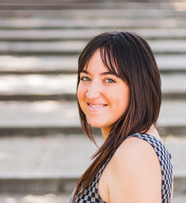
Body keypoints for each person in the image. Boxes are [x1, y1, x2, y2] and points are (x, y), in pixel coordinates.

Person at [71, 31, 173, 203]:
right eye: (85, 78)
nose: (91, 93)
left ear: (139, 86)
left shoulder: (134, 153)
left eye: (109, 80)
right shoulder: (140, 142)